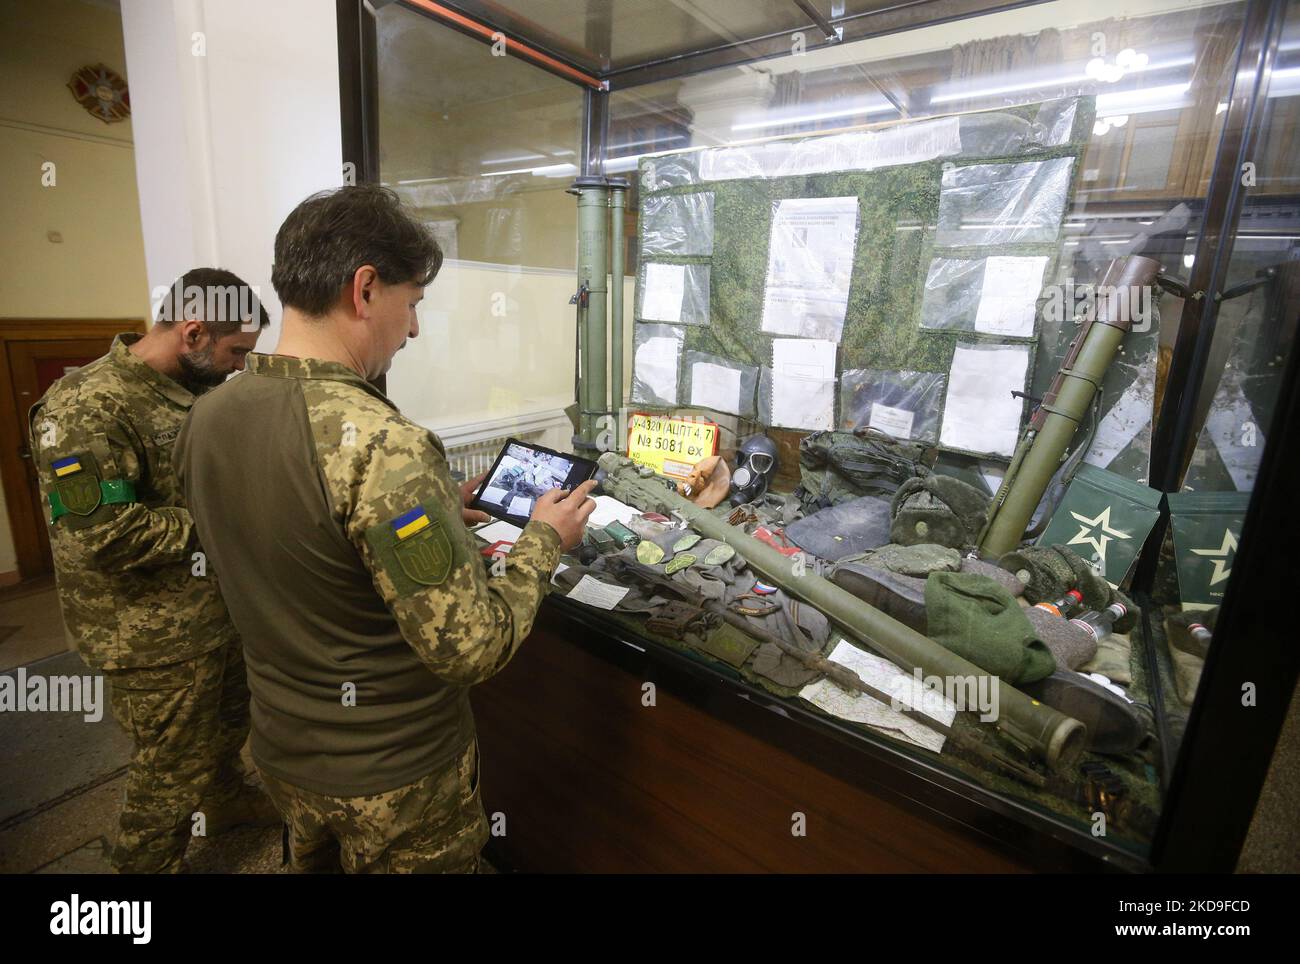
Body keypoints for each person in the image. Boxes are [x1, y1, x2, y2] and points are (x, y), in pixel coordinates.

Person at [174, 184, 595, 873]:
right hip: (394, 776)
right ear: (365, 289)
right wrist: (544, 539)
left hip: (283, 748)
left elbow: (289, 543)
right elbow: (471, 650)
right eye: (414, 304)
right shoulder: (380, 444)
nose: (415, 329)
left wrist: (427, 511)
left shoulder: (208, 416)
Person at [29, 267, 277, 874]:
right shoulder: (86, 405)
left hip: (212, 613)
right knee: (167, 772)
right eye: (235, 352)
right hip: (148, 634)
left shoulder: (193, 390)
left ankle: (224, 802)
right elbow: (104, 534)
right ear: (193, 332)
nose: (239, 366)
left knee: (224, 726)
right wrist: (226, 518)